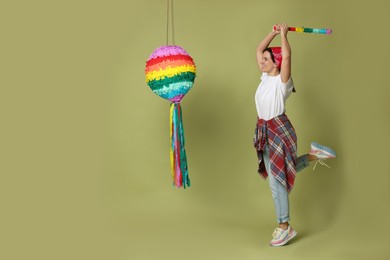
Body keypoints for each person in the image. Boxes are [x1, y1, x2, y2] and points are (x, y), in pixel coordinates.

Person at [253, 23, 336, 247]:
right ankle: (312, 155)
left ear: (276, 64)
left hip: (278, 129)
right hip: (264, 129)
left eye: (267, 60)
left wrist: (283, 35)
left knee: (276, 182)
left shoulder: (282, 82)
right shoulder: (264, 78)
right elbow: (259, 49)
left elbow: (287, 56)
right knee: (279, 171)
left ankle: (284, 227)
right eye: (263, 60)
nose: (261, 61)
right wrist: (272, 31)